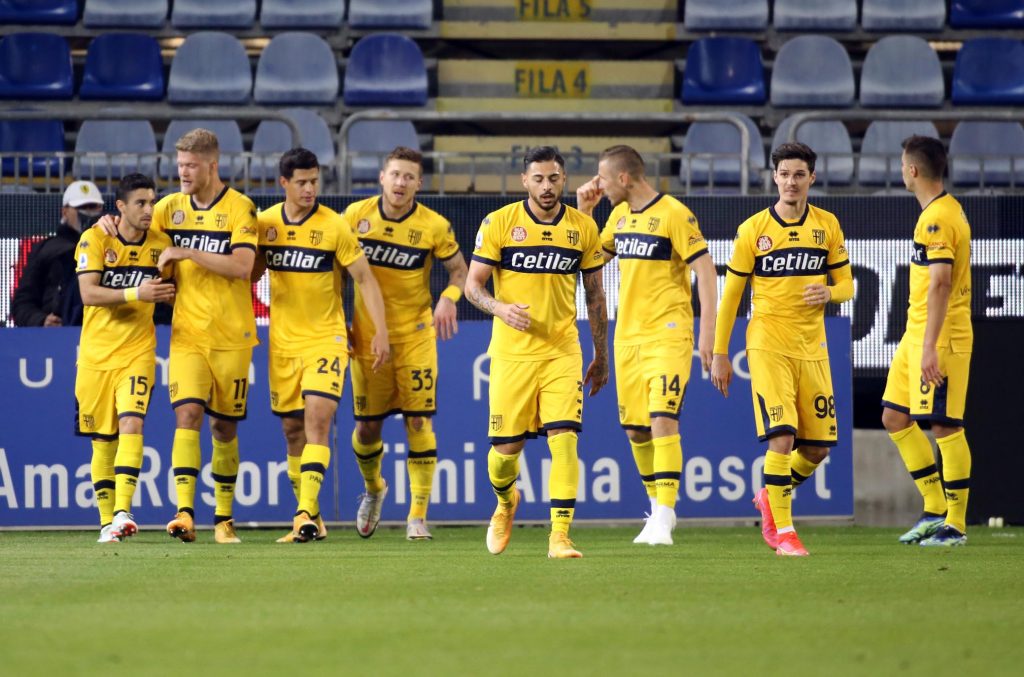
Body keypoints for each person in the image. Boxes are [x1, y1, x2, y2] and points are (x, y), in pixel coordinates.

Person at [98, 128, 259, 544]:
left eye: (190, 166)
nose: (183, 172)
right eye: (180, 165)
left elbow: (243, 267)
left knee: (223, 428)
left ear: (212, 165)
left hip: (232, 335)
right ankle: (185, 512)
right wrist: (106, 222)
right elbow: (133, 229)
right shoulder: (169, 208)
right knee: (186, 416)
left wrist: (187, 252)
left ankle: (223, 517)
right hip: (187, 334)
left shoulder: (240, 208)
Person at [465, 146, 609, 559]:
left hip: (562, 351)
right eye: (539, 179)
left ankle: (559, 536)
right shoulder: (500, 222)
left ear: (564, 180)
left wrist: (601, 354)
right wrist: (500, 308)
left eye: (554, 179)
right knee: (504, 455)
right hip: (512, 354)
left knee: (564, 440)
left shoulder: (582, 227)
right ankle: (505, 501)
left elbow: (595, 296)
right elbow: (473, 286)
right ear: (524, 181)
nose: (547, 186)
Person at [711, 142, 853, 557]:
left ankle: (769, 496)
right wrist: (720, 353)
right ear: (774, 177)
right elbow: (731, 296)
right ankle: (785, 533)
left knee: (817, 449)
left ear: (812, 178)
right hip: (768, 342)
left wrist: (829, 293)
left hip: (812, 347)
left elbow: (847, 285)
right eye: (785, 174)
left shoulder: (827, 225)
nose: (791, 182)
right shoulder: (753, 230)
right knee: (783, 437)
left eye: (799, 175)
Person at [575, 145, 718, 546]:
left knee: (662, 419)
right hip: (628, 336)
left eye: (603, 178)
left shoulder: (674, 214)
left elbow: (706, 272)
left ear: (623, 178)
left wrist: (708, 332)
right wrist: (584, 212)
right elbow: (589, 259)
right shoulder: (618, 216)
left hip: (668, 333)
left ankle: (665, 514)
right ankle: (657, 511)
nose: (598, 185)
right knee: (637, 431)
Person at [252, 148, 390, 543]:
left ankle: (302, 515)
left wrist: (379, 330)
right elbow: (250, 272)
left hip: (326, 338)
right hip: (283, 342)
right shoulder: (266, 224)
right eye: (302, 182)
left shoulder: (334, 226)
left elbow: (364, 279)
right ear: (284, 183)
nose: (310, 188)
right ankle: (313, 516)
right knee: (292, 430)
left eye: (314, 181)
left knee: (317, 421)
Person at [342, 147, 467, 541]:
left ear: (419, 184)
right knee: (367, 429)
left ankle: (417, 516)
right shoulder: (355, 217)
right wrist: (336, 320)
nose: (401, 183)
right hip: (367, 337)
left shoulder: (434, 225)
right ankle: (375, 489)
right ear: (382, 177)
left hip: (416, 335)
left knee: (418, 420)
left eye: (409, 177)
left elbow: (460, 271)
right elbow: (334, 271)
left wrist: (449, 298)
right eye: (395, 174)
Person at [881, 135, 973, 547]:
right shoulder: (941, 212)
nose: (902, 171)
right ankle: (935, 509)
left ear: (913, 170)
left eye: (903, 165)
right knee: (894, 417)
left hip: (940, 336)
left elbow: (941, 283)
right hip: (915, 332)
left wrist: (930, 345)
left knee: (944, 424)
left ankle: (956, 524)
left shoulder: (937, 219)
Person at [74, 174, 176, 542]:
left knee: (132, 422)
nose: (149, 209)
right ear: (120, 207)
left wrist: (165, 295)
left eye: (152, 202)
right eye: (140, 203)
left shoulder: (162, 244)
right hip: (95, 356)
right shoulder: (95, 238)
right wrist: (137, 293)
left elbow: (175, 289)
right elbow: (88, 294)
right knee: (103, 441)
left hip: (138, 351)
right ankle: (107, 524)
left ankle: (123, 511)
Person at [13, 180, 103, 327]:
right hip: (59, 334)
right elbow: (22, 301)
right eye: (81, 207)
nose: (87, 212)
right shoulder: (47, 249)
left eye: (92, 206)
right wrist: (41, 320)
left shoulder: (112, 248)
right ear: (65, 212)